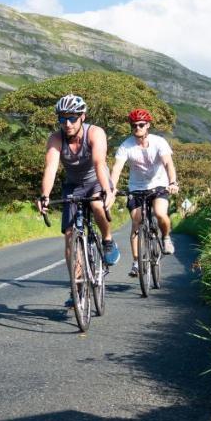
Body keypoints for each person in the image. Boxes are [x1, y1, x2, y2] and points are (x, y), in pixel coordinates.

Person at [37, 95, 120, 291]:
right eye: (62, 119)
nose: (67, 123)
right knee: (69, 236)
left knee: (97, 205)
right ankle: (78, 287)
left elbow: (99, 163)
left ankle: (107, 239)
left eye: (72, 118)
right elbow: (50, 168)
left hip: (96, 181)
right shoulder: (56, 139)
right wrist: (45, 196)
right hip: (73, 186)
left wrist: (107, 190)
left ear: (82, 116)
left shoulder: (95, 133)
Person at [109, 109, 179, 277]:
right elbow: (117, 168)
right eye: (134, 126)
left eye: (141, 125)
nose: (137, 128)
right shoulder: (126, 145)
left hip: (159, 185)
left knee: (160, 213)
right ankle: (136, 263)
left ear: (147, 125)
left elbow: (168, 164)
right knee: (136, 221)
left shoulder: (159, 142)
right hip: (136, 188)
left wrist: (172, 182)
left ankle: (166, 237)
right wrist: (111, 188)